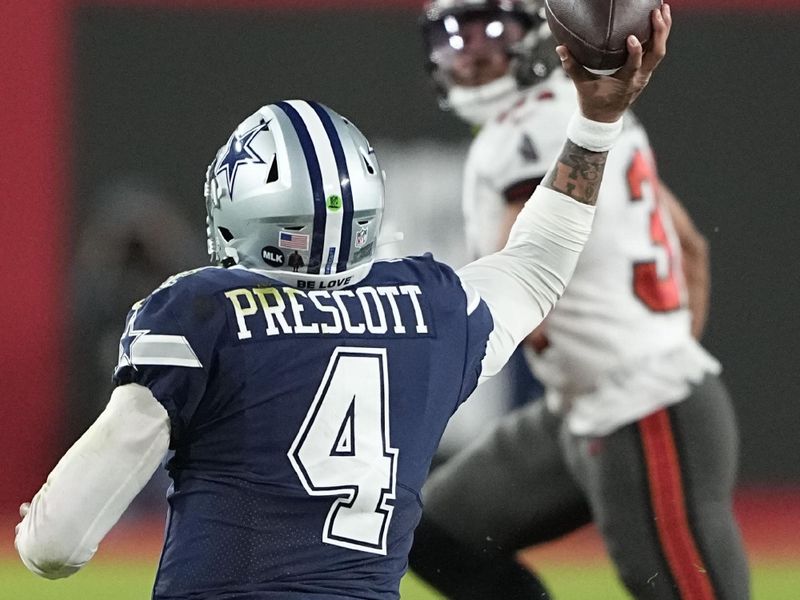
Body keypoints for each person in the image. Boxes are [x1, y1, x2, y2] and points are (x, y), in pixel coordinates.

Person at [14, 15, 669, 598]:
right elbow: (539, 263)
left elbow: (54, 548)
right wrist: (597, 122)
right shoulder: (431, 308)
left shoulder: (198, 317)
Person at [411, 2, 749, 599]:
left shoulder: (531, 131)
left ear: (539, 35)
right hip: (585, 407)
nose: (469, 56)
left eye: (490, 32)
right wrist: (662, 345)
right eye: (452, 38)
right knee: (438, 533)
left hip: (644, 409)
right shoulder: (577, 118)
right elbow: (691, 246)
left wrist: (654, 375)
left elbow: (519, 284)